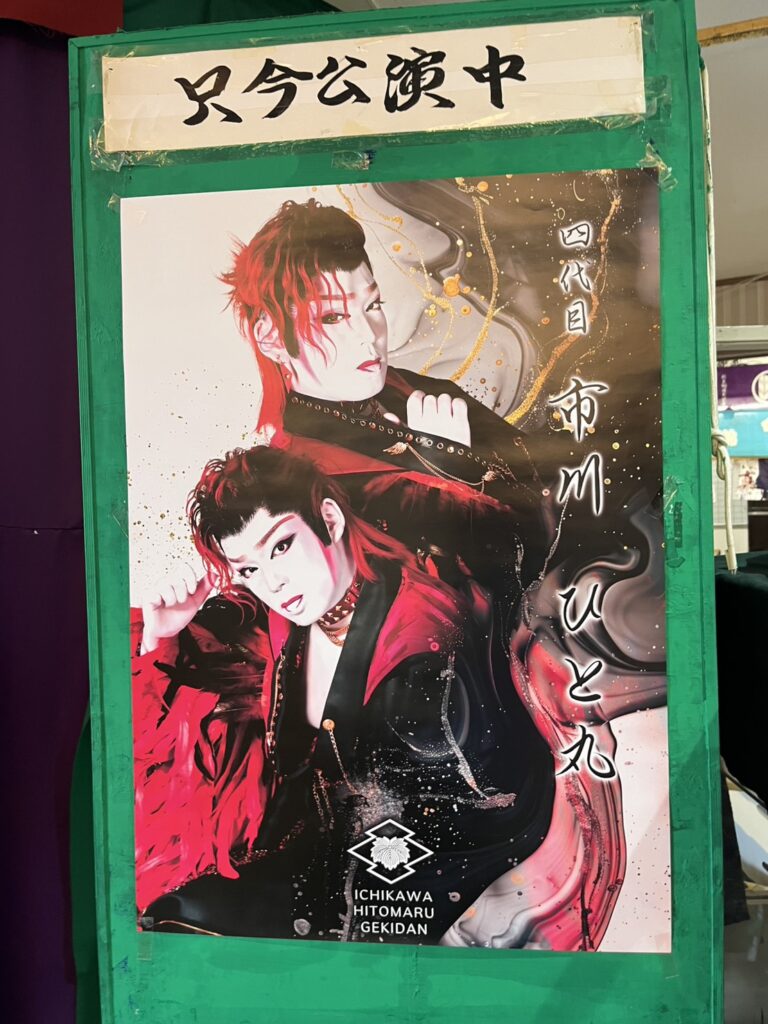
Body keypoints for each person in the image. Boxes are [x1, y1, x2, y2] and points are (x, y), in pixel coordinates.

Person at [134, 445, 555, 942]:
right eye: (247, 569)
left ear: (329, 521)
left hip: (434, 851)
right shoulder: (293, 607)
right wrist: (162, 633)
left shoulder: (418, 648)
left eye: (281, 546)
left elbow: (445, 816)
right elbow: (195, 685)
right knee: (172, 913)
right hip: (330, 836)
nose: (273, 582)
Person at [221, 199, 553, 597]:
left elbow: (551, 481)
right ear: (271, 337)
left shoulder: (419, 390)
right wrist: (451, 469)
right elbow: (441, 596)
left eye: (372, 305)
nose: (370, 334)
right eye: (332, 317)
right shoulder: (299, 478)